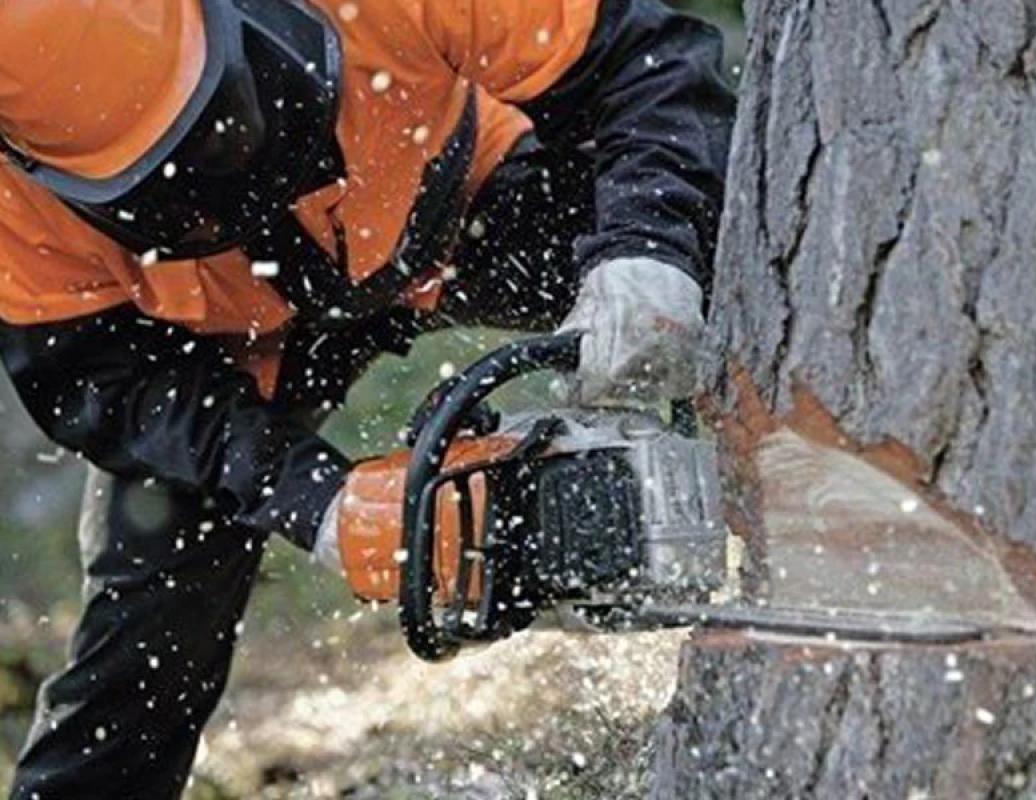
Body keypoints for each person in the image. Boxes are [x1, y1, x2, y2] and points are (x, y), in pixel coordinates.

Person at [0, 0, 733, 796]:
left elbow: (643, 60)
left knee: (716, 238)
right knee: (148, 635)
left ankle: (795, 490)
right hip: (226, 350)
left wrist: (649, 246)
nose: (211, 180)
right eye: (165, 182)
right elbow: (98, 373)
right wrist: (314, 500)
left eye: (216, 126)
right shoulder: (13, 194)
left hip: (455, 201)